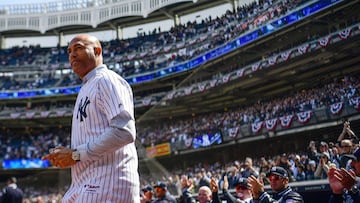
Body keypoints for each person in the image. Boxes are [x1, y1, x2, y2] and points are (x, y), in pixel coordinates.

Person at [42, 34, 140, 202]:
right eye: (69, 51)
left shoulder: (106, 80)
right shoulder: (88, 86)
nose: (72, 54)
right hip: (87, 182)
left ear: (97, 51)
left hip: (107, 182)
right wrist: (68, 155)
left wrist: (75, 155)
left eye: (78, 48)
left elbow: (124, 131)